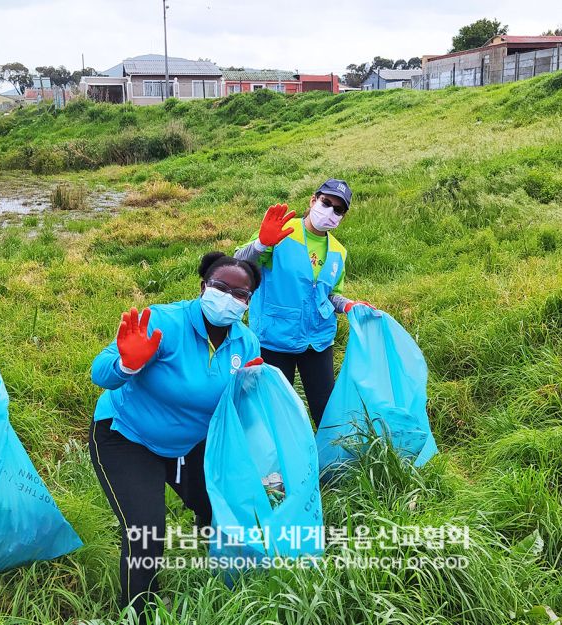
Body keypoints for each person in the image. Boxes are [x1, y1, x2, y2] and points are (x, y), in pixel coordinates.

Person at [89, 251, 264, 615]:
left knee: (217, 505)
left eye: (241, 294)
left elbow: (241, 405)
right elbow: (100, 373)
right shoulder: (164, 322)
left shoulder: (245, 343)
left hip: (189, 442)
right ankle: (140, 611)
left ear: (249, 302)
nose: (230, 298)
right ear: (203, 286)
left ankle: (219, 571)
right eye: (221, 287)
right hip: (126, 436)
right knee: (146, 534)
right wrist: (126, 363)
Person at [235, 179, 373, 427]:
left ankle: (330, 463)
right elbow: (237, 264)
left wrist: (348, 305)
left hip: (318, 340)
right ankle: (281, 464)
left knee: (325, 410)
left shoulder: (338, 251)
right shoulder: (281, 231)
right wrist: (261, 244)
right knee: (276, 410)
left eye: (338, 209)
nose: (330, 212)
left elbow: (329, 294)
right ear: (313, 200)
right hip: (274, 337)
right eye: (326, 203)